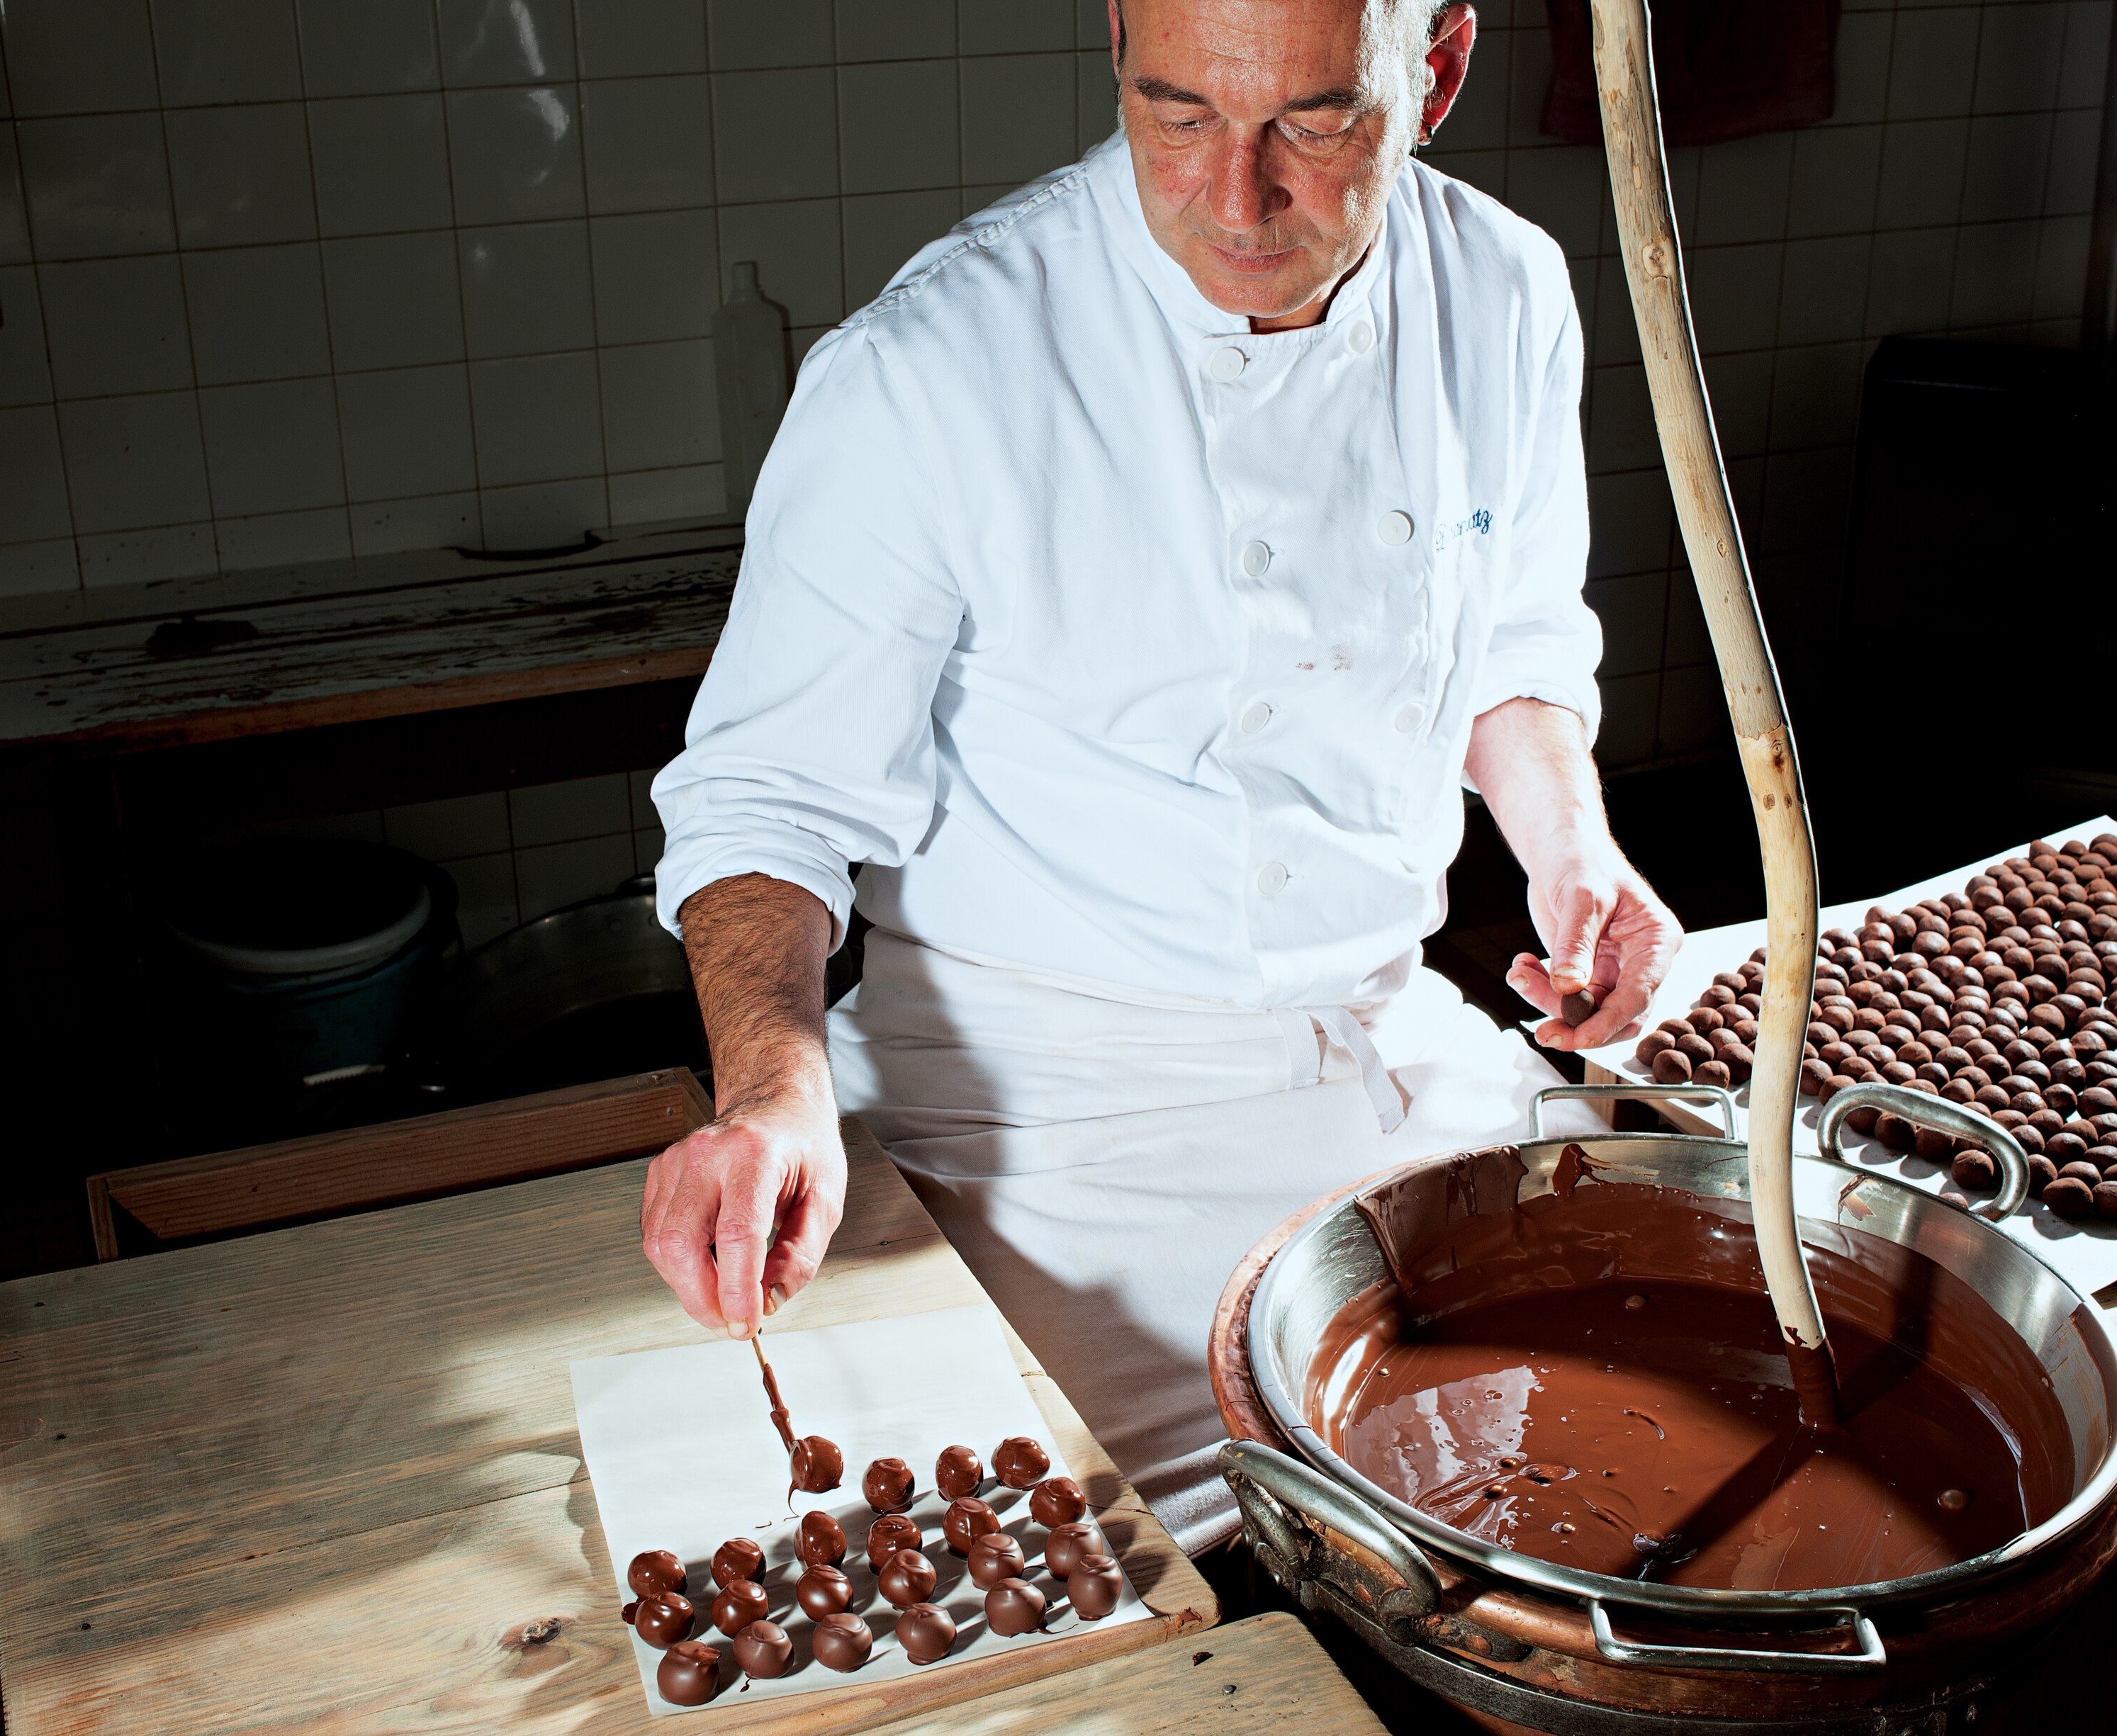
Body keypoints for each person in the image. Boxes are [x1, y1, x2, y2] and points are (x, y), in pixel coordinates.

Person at [643, 0, 1683, 1550]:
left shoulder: (1505, 290)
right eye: (1178, 113)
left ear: (1438, 71)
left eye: (1313, 121)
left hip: (1386, 1058)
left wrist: (1571, 847)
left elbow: (1511, 644)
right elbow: (765, 801)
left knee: (1630, 1465)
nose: (1236, 197)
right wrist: (773, 1093)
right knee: (1078, 1585)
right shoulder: (931, 367)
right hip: (1034, 1129)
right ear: (1120, 45)